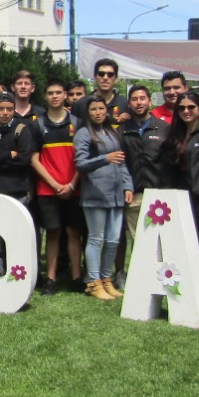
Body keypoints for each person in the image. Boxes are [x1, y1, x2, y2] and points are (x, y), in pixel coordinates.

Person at [160, 91, 199, 292]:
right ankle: (185, 277)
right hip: (179, 195)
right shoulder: (175, 132)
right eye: (182, 108)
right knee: (182, 239)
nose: (186, 111)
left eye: (191, 107)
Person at [74, 98, 132, 301]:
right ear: (87, 112)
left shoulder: (112, 132)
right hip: (95, 194)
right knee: (96, 238)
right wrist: (104, 159)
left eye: (101, 109)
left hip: (116, 193)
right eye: (93, 109)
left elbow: (122, 162)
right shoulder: (83, 133)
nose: (98, 112)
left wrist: (128, 186)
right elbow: (80, 164)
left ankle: (107, 279)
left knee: (113, 239)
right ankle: (93, 281)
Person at [31, 79, 84, 294]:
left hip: (74, 188)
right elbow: (34, 159)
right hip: (47, 190)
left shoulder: (78, 123)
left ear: (65, 96)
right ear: (45, 96)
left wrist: (72, 184)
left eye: (58, 92)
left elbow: (84, 157)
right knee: (52, 233)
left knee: (73, 232)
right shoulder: (37, 124)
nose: (54, 96)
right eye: (50, 92)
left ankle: (76, 277)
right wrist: (54, 185)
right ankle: (51, 279)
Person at [119, 84, 168, 281]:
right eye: (134, 99)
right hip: (135, 194)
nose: (139, 103)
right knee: (138, 239)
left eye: (142, 98)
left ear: (150, 101)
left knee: (160, 239)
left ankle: (161, 275)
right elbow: (120, 163)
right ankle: (142, 278)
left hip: (160, 194)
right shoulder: (122, 130)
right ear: (129, 103)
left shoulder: (163, 128)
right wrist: (126, 187)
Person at [72, 58, 128, 127]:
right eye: (101, 74)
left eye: (110, 74)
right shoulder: (80, 105)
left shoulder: (125, 104)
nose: (105, 77)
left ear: (116, 79)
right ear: (95, 77)